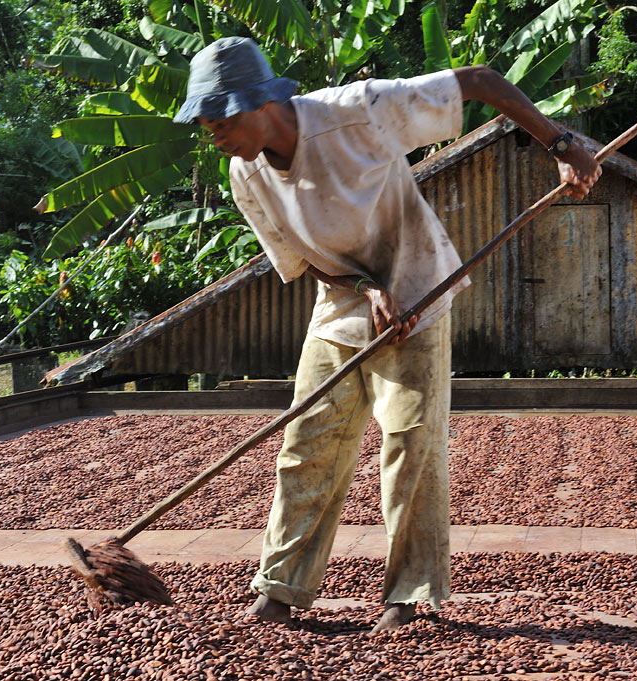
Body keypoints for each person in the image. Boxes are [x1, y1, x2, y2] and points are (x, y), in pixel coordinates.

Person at [174, 37, 601, 634]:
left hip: (419, 287)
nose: (211, 131)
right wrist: (364, 286)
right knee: (306, 444)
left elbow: (478, 79)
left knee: (410, 446)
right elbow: (303, 255)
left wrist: (563, 143)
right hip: (342, 302)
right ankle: (281, 587)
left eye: (218, 115)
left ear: (259, 103)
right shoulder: (243, 172)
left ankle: (411, 592)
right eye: (204, 120)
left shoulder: (357, 110)